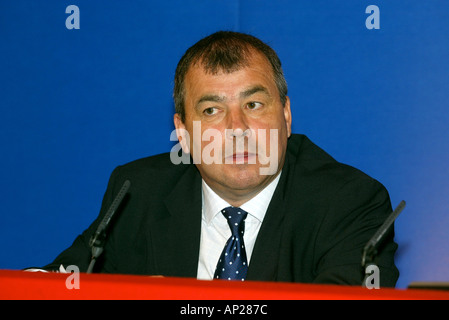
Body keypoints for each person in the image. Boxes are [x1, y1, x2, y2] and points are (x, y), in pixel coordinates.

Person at [42, 31, 399, 286]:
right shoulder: (139, 192)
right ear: (183, 133)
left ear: (286, 116)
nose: (237, 128)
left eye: (253, 105)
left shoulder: (349, 200)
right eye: (212, 110)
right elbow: (54, 282)